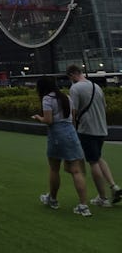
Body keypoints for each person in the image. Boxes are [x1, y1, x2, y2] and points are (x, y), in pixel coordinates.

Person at [32, 75, 91, 216]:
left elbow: (48, 120)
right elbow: (72, 116)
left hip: (57, 135)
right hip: (70, 133)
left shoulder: (47, 99)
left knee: (54, 168)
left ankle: (52, 199)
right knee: (76, 170)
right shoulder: (66, 97)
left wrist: (38, 117)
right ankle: (83, 206)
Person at [66, 64, 122, 207]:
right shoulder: (96, 87)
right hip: (101, 129)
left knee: (92, 161)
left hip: (87, 129)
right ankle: (114, 186)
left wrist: (72, 129)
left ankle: (102, 198)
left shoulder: (75, 88)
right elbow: (105, 107)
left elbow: (74, 112)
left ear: (72, 74)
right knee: (97, 157)